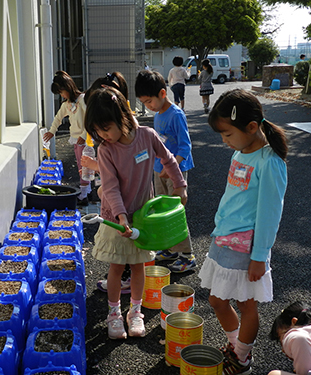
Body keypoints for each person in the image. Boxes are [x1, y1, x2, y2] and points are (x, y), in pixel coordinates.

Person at [84, 86, 187, 339]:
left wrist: (180, 185)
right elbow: (110, 187)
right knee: (117, 268)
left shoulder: (147, 136)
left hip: (143, 217)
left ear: (123, 117)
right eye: (96, 131)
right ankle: (114, 314)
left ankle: (135, 312)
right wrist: (120, 217)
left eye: (105, 128)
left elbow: (169, 159)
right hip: (116, 219)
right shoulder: (105, 150)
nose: (102, 135)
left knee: (140, 265)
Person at [198, 88, 288, 374]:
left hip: (247, 246)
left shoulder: (269, 162)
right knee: (216, 299)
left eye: (227, 134)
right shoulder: (241, 151)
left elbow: (269, 214)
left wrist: (260, 256)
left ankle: (242, 358)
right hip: (224, 238)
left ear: (251, 127)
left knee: (246, 305)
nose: (225, 142)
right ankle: (237, 349)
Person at [135, 69, 196, 273]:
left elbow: (185, 147)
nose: (148, 107)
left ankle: (187, 256)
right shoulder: (158, 114)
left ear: (162, 93)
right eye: (144, 103)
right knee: (162, 212)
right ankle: (170, 248)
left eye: (149, 101)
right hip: (159, 170)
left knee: (175, 214)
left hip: (175, 172)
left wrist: (172, 168)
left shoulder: (176, 115)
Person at [83, 71, 132, 294]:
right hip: (123, 200)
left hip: (126, 201)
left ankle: (125, 280)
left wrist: (96, 168)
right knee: (125, 249)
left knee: (125, 248)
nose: (102, 135)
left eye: (104, 128)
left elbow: (120, 173)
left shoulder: (131, 135)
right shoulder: (119, 135)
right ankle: (124, 277)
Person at [43, 71, 90, 205]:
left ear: (68, 87)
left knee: (84, 167)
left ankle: (84, 195)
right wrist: (52, 131)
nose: (62, 95)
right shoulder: (67, 104)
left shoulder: (82, 100)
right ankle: (86, 192)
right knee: (82, 166)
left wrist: (84, 135)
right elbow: (58, 118)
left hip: (84, 140)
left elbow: (89, 118)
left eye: (62, 92)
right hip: (76, 140)